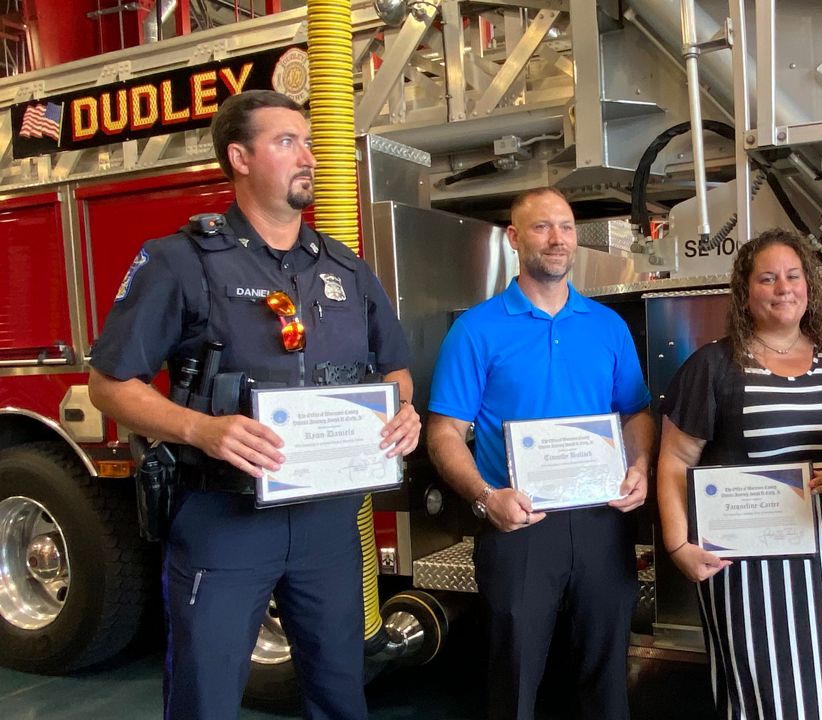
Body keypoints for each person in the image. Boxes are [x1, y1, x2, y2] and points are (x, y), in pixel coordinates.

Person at [86, 90, 420, 720]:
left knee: (342, 691)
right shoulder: (180, 261)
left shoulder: (347, 271)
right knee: (205, 696)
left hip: (328, 521)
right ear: (239, 157)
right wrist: (202, 430)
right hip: (222, 520)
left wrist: (403, 413)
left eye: (309, 142)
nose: (309, 157)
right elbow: (110, 384)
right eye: (286, 141)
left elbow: (394, 370)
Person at [655, 229, 822, 719]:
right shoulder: (713, 365)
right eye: (768, 278)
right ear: (745, 292)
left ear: (810, 286)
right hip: (745, 569)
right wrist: (677, 546)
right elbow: (674, 461)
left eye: (794, 276)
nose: (784, 288)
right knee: (763, 697)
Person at [425, 187, 654, 720]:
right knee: (516, 678)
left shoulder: (607, 326)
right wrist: (486, 498)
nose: (557, 239)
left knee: (606, 679)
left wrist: (639, 466)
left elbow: (636, 413)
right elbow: (443, 433)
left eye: (566, 227)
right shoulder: (475, 330)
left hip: (602, 522)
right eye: (541, 227)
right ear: (513, 238)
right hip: (517, 527)